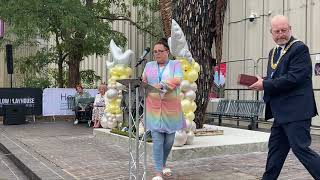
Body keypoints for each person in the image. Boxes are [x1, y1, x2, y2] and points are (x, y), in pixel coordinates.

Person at [249, 15, 320, 179]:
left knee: (300, 149)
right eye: (277, 31)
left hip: (297, 112)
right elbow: (277, 76)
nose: (281, 34)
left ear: (290, 29)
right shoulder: (273, 52)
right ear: (271, 33)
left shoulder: (299, 48)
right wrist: (264, 80)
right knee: (275, 150)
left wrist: (265, 85)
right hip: (280, 113)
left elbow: (294, 78)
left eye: (284, 30)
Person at [142, 39, 184, 180]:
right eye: (155, 52)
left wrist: (162, 84)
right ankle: (158, 172)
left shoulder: (175, 64)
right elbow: (144, 82)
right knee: (158, 141)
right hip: (153, 109)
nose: (157, 54)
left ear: (167, 52)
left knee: (169, 141)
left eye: (160, 51)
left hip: (171, 109)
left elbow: (178, 79)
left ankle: (163, 163)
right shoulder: (148, 65)